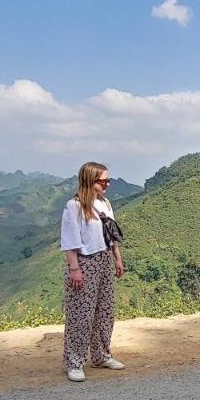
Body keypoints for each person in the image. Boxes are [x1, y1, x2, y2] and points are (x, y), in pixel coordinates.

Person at [60, 162, 125, 382]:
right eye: (102, 181)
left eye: (108, 180)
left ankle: (101, 355)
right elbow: (70, 241)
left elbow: (112, 233)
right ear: (90, 181)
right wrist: (74, 268)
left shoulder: (105, 203)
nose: (107, 184)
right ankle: (74, 361)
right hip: (85, 261)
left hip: (104, 258)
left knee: (104, 310)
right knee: (81, 314)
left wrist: (117, 258)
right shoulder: (74, 206)